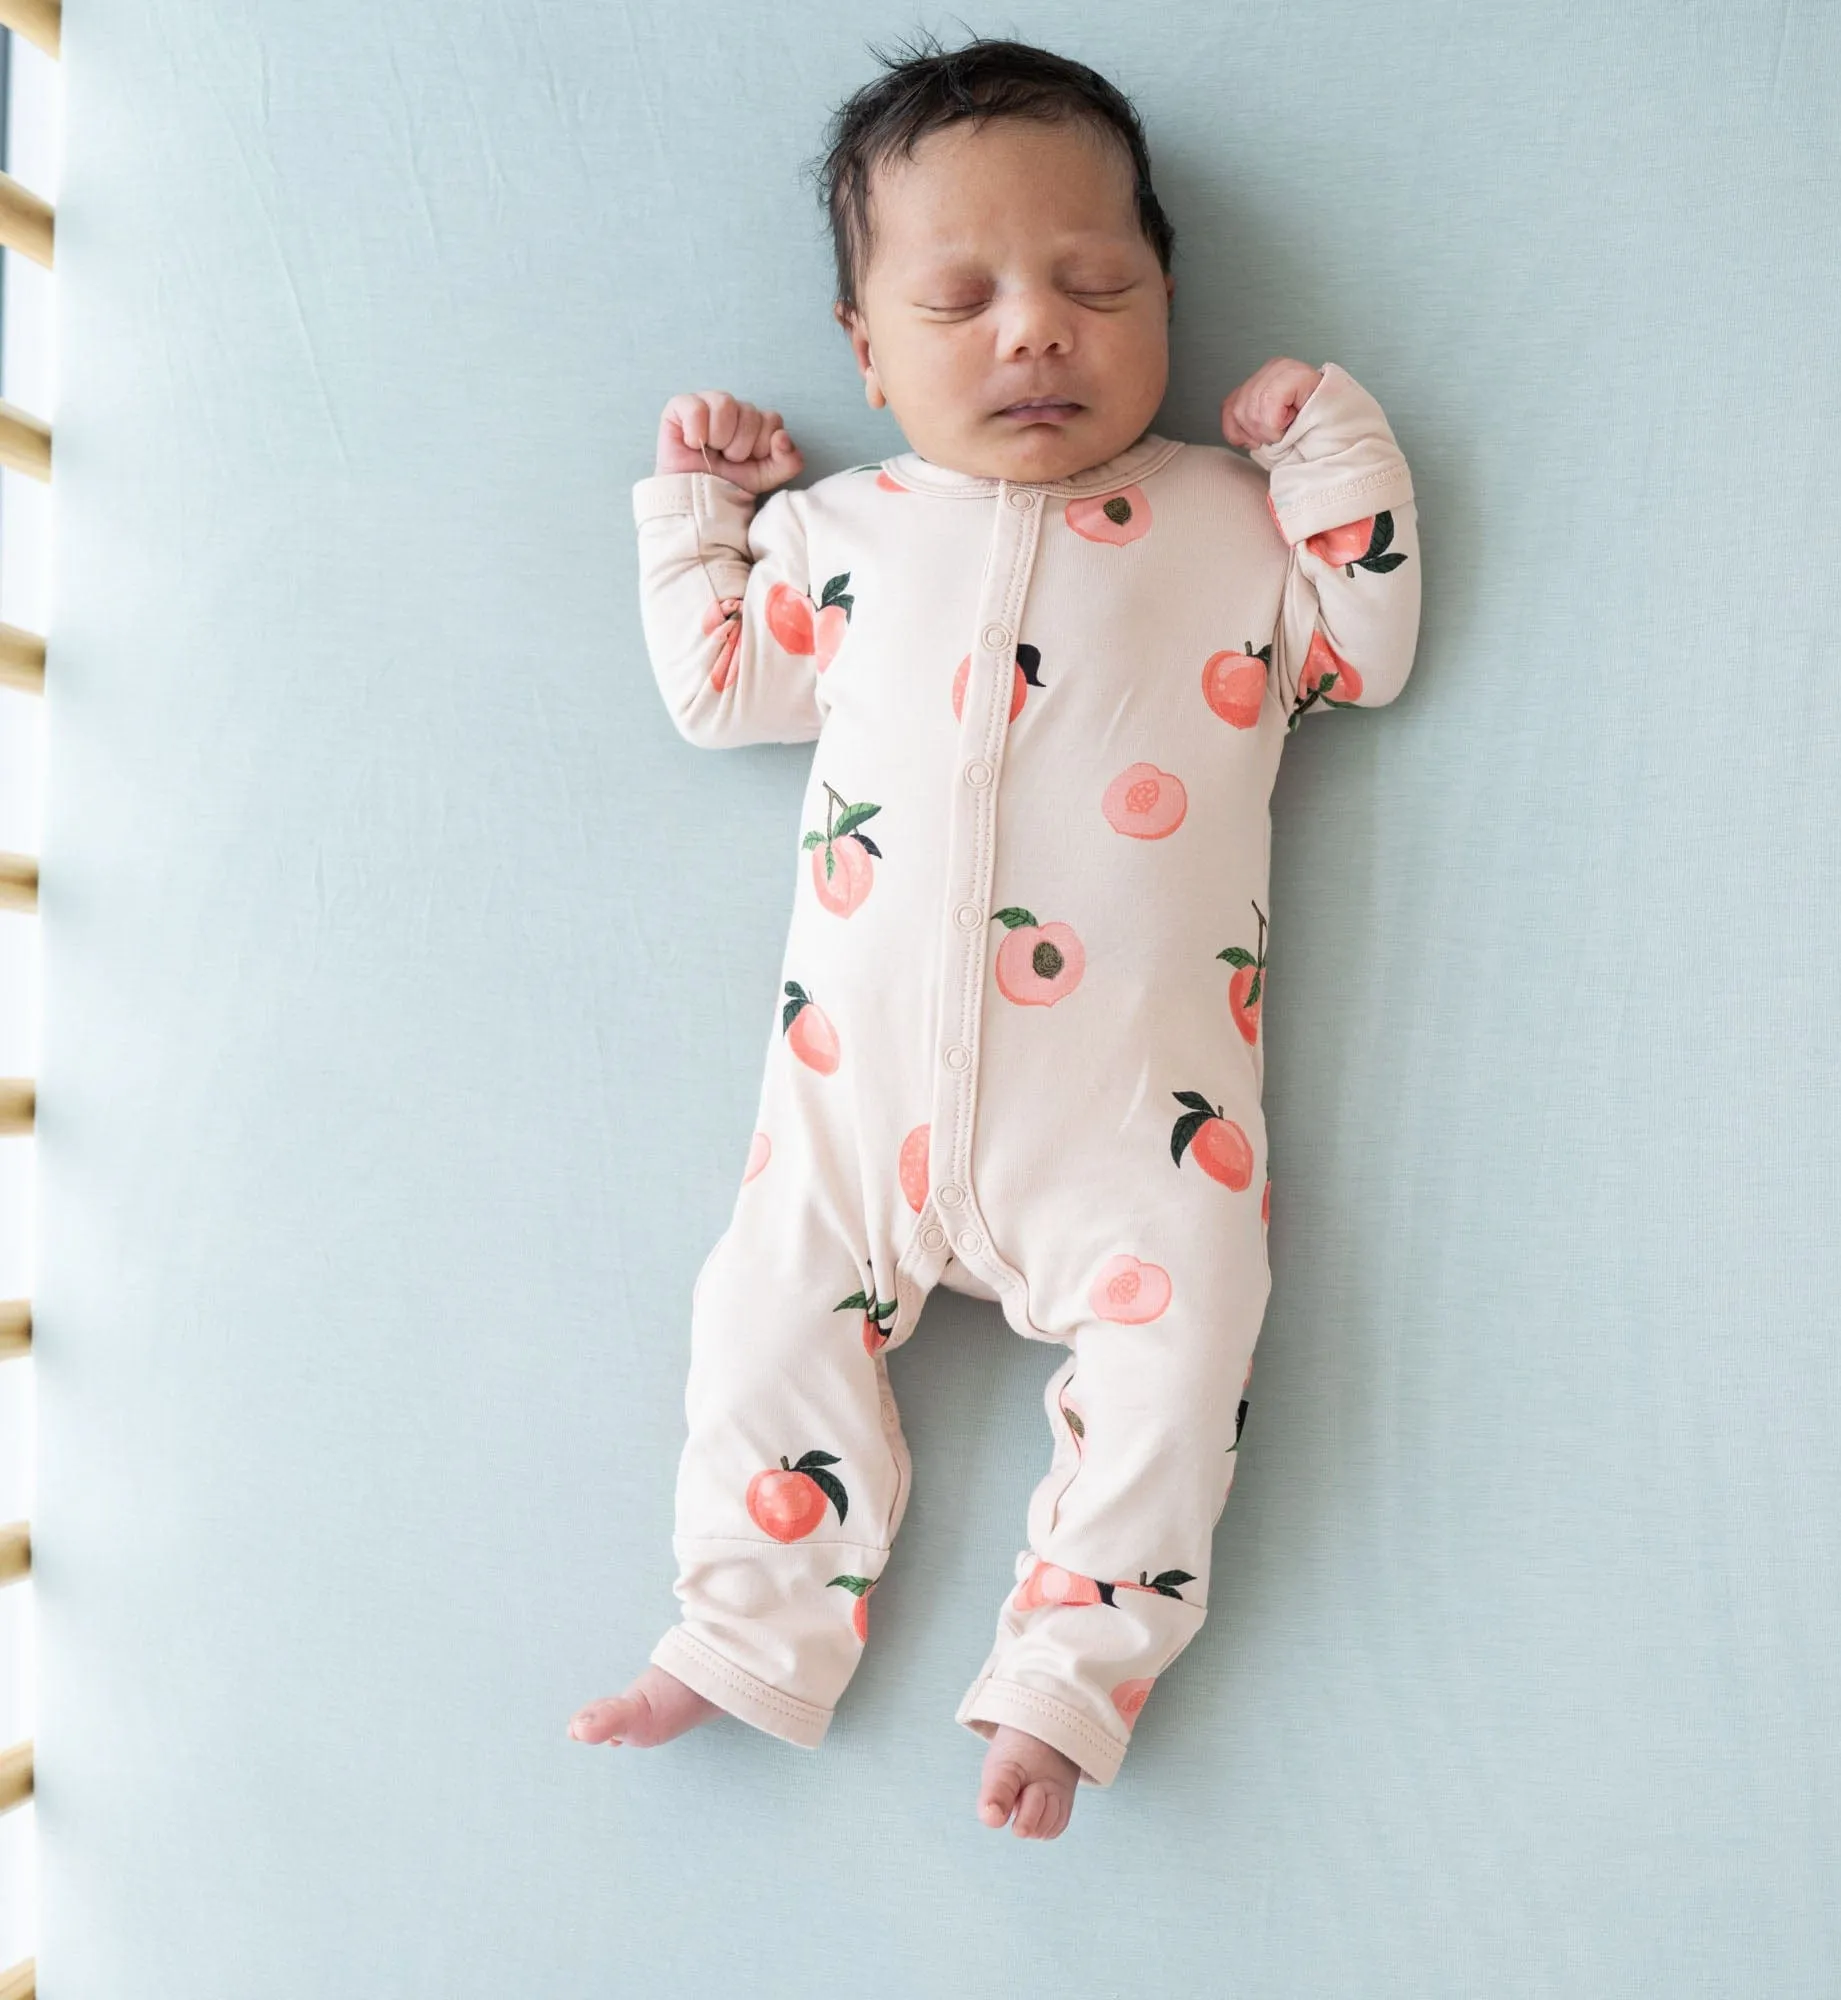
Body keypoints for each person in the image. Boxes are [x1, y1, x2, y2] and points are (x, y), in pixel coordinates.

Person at [569, 31, 1421, 1842]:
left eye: (1094, 283)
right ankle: (739, 1631)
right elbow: (721, 691)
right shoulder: (844, 531)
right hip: (848, 1118)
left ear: (1163, 302)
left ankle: (1067, 1674)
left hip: (1135, 1135)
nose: (1035, 327)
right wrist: (701, 515)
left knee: (1190, 1341)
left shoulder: (1225, 521)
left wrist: (1330, 447)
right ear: (866, 348)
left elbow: (1369, 636)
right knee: (755, 1321)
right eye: (960, 299)